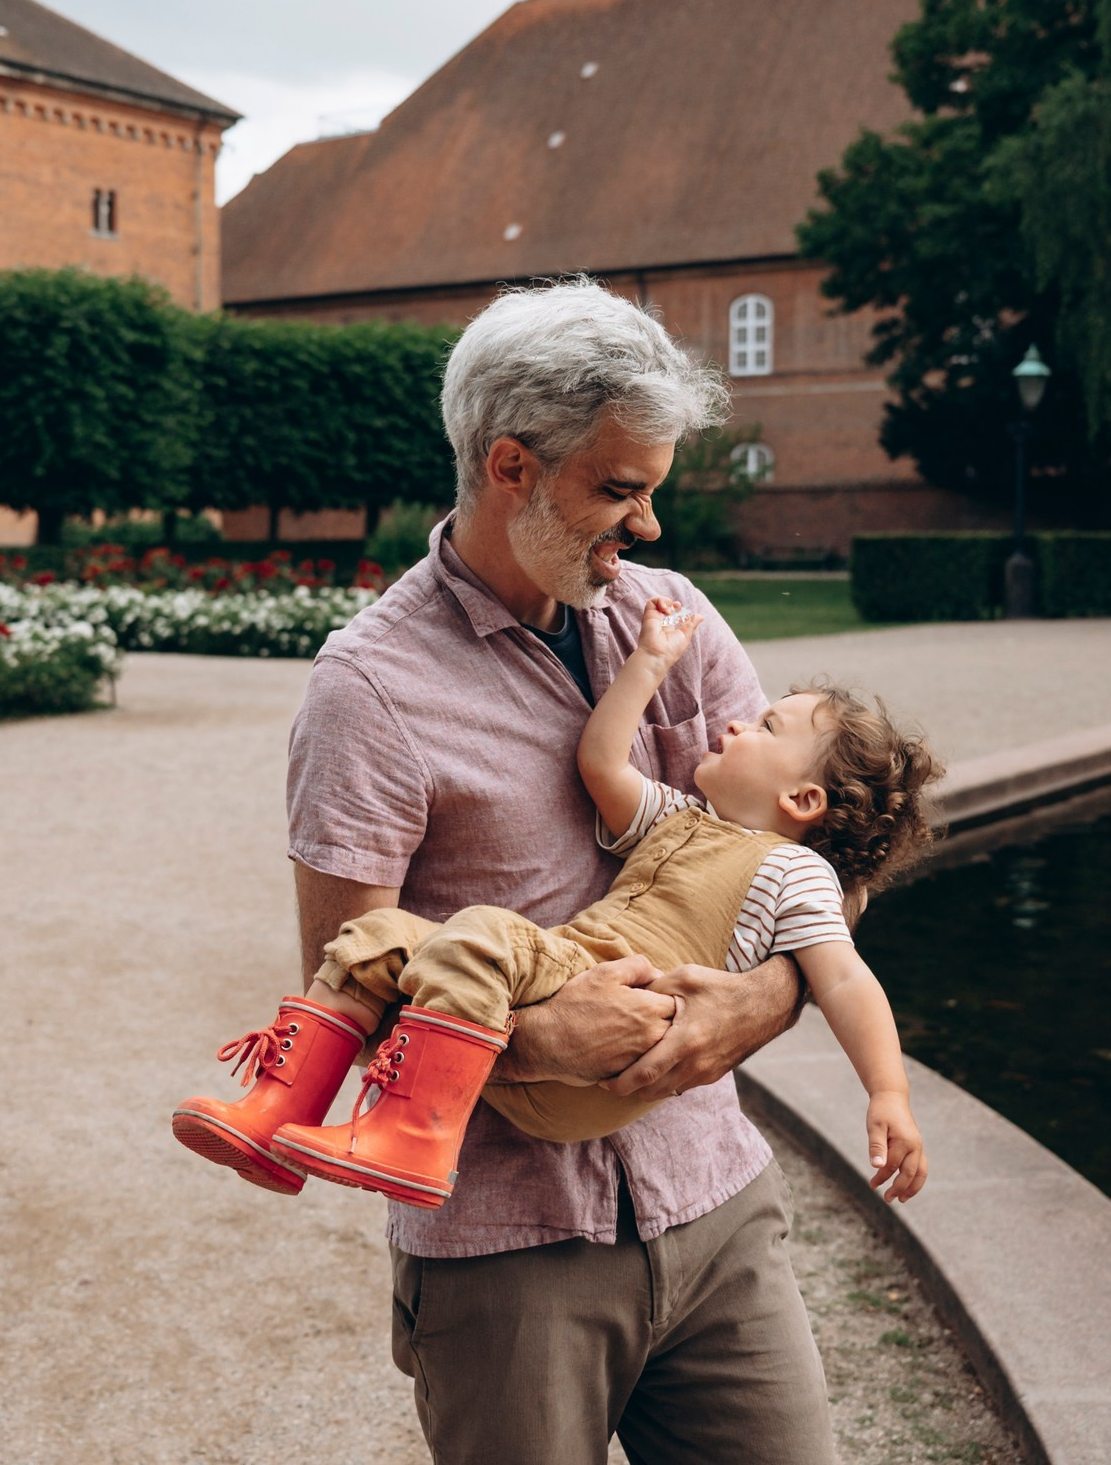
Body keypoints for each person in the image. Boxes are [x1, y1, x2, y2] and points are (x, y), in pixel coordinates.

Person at [229, 279, 846, 1464]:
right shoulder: (367, 690)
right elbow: (339, 971)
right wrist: (533, 1040)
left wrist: (764, 1000)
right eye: (620, 490)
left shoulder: (673, 613)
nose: (649, 527)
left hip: (713, 1198)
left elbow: (823, 859)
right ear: (509, 465)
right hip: (508, 1253)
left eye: (653, 490)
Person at [177, 596, 939, 1210]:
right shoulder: (681, 818)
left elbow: (843, 978)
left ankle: (414, 1134)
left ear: (802, 798)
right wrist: (647, 666)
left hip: (610, 1035)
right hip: (565, 999)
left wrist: (888, 1092)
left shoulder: (796, 874)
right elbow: (602, 761)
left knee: (477, 934)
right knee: (375, 940)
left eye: (766, 727)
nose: (738, 721)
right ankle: (282, 1113)